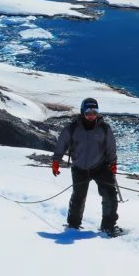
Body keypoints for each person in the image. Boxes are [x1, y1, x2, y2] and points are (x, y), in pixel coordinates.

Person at [50, 97, 123, 237]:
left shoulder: (104, 128)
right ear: (82, 112)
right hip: (79, 168)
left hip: (101, 166)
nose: (91, 115)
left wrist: (113, 163)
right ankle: (73, 225)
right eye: (88, 112)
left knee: (110, 196)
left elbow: (111, 147)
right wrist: (56, 161)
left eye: (94, 112)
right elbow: (61, 144)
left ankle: (108, 226)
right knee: (78, 197)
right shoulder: (72, 128)